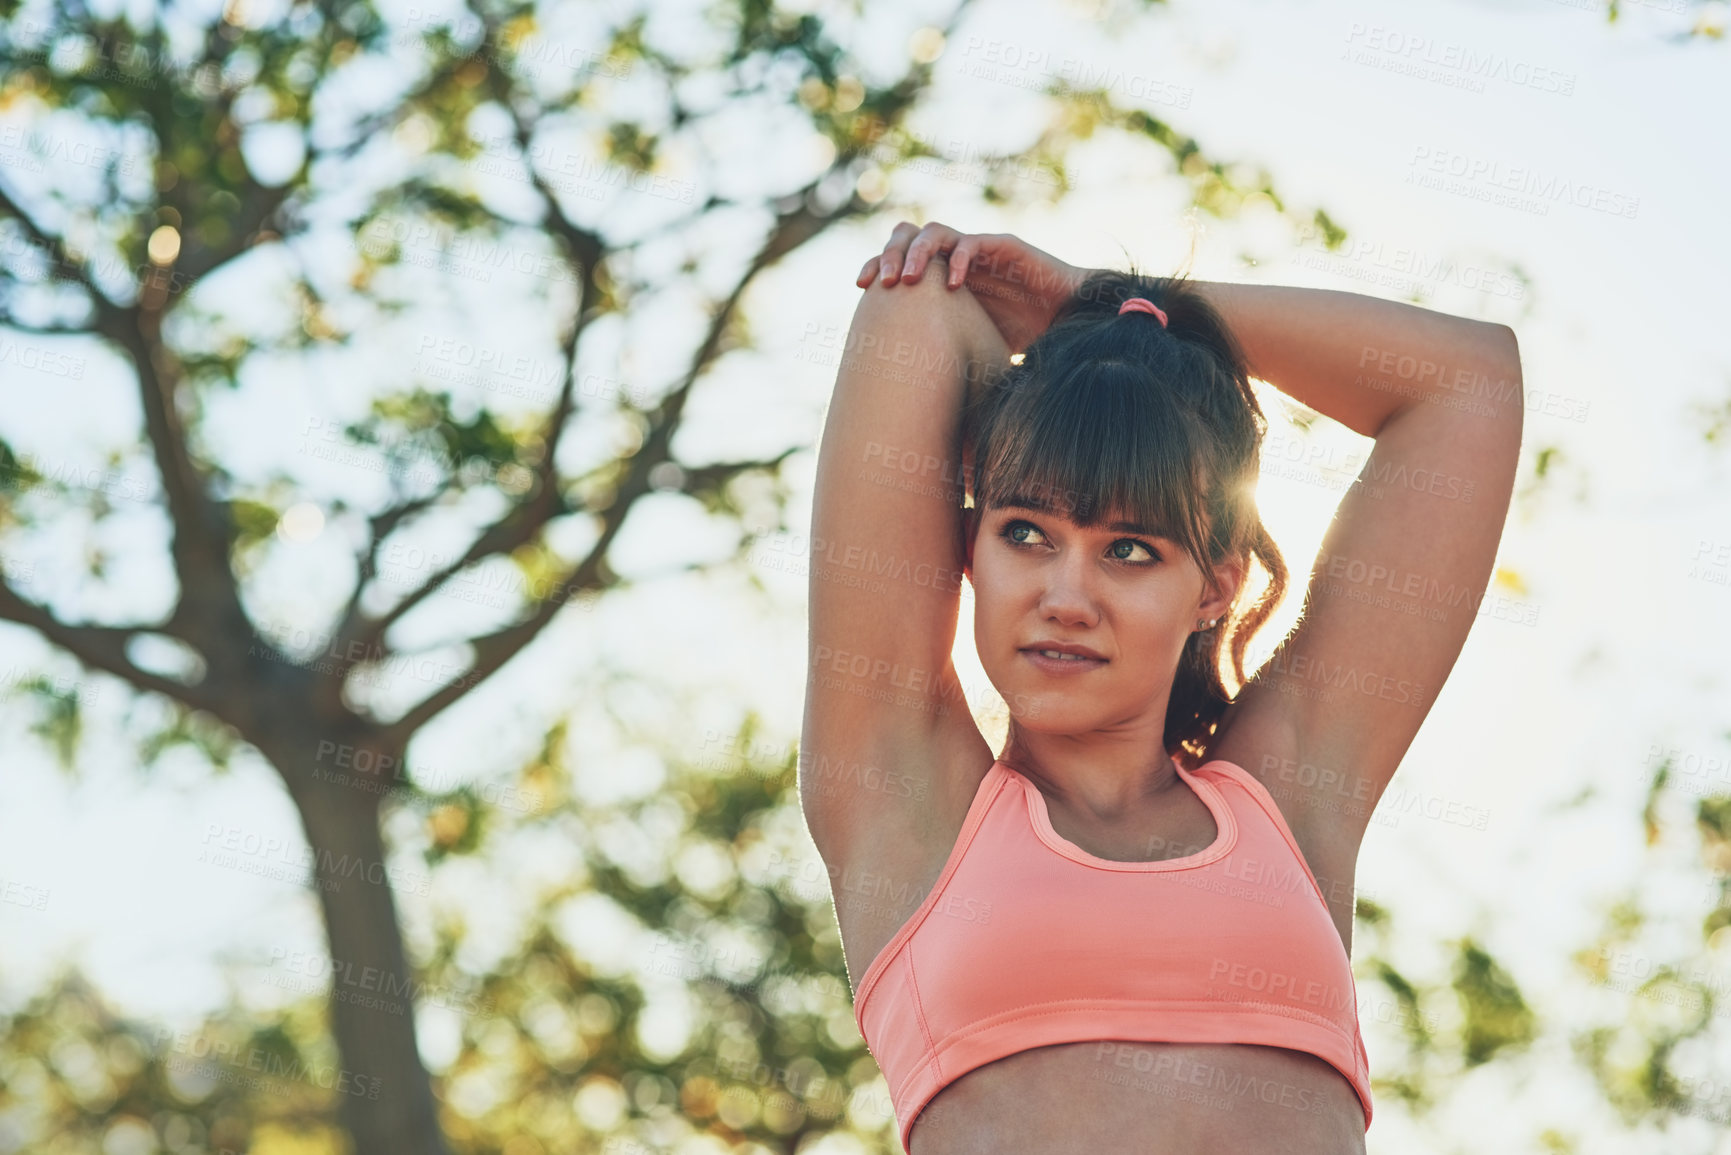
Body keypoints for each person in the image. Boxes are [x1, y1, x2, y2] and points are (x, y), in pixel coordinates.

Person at [800, 220, 1523, 1153]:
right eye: (1025, 533)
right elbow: (925, 307)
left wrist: (1111, 305)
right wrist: (1100, 344)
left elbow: (1467, 381)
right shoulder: (905, 801)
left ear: (1214, 586)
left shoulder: (1288, 802)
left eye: (1130, 550)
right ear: (965, 549)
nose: (1066, 597)